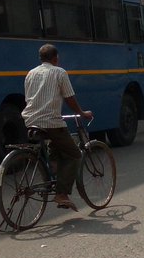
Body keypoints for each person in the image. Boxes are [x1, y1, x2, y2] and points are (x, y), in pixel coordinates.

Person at [22, 44, 92, 211]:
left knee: (56, 146)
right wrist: (82, 113)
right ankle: (62, 194)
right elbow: (69, 98)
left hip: (30, 121)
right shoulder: (59, 72)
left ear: (41, 58)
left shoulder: (30, 74)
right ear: (55, 58)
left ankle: (54, 170)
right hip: (51, 122)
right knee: (75, 154)